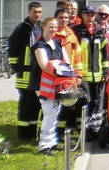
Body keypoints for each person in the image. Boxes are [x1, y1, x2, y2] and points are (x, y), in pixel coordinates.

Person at [32, 17, 69, 155]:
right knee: (48, 113)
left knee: (55, 113)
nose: (53, 30)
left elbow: (66, 61)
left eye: (55, 27)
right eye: (50, 27)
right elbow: (44, 65)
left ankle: (52, 142)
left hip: (57, 84)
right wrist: (61, 72)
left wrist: (66, 72)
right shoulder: (39, 45)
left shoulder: (58, 43)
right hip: (43, 85)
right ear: (43, 27)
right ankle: (43, 145)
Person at [72, 5, 109, 137]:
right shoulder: (76, 32)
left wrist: (106, 71)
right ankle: (83, 131)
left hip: (99, 75)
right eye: (88, 14)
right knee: (84, 103)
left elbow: (105, 54)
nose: (90, 17)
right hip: (83, 76)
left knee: (97, 102)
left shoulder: (100, 31)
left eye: (92, 15)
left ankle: (95, 129)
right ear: (82, 15)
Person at [9, 2, 42, 140]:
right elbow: (12, 48)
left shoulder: (39, 28)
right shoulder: (22, 28)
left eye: (40, 12)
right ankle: (23, 133)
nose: (37, 15)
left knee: (35, 104)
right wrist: (17, 68)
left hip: (36, 75)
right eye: (35, 12)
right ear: (29, 12)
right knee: (25, 105)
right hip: (25, 75)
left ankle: (32, 131)